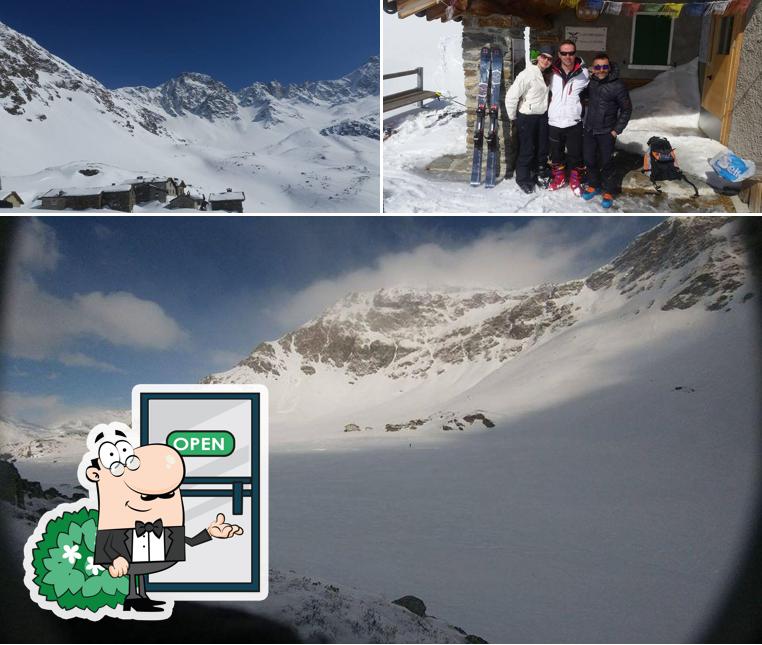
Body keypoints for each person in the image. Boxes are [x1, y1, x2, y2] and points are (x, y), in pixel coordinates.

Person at [87, 427, 243, 612]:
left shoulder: (166, 529)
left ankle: (140, 597)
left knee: (140, 572)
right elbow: (107, 546)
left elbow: (189, 542)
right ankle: (132, 597)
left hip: (149, 558)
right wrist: (115, 559)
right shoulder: (115, 528)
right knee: (135, 572)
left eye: (168, 495)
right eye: (147, 496)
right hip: (127, 562)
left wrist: (209, 533)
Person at [581, 52, 632, 209]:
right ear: (593, 68)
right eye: (598, 67)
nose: (601, 70)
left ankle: (609, 191)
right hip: (590, 128)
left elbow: (627, 109)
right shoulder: (592, 82)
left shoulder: (618, 85)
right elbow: (582, 95)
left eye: (604, 67)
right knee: (589, 159)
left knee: (607, 162)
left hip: (606, 131)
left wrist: (616, 130)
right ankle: (593, 184)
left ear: (609, 68)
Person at [504, 45, 553, 194]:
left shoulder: (546, 74)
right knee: (527, 149)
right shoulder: (528, 74)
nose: (546, 60)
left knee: (541, 148)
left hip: (542, 116)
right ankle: (523, 178)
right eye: (543, 57)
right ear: (538, 57)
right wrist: (513, 117)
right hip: (527, 117)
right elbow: (511, 96)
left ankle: (539, 173)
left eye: (549, 58)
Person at [547, 39, 590, 194]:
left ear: (575, 54)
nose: (567, 56)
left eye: (571, 53)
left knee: (576, 154)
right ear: (559, 54)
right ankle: (559, 179)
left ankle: (575, 180)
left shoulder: (584, 74)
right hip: (554, 121)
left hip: (574, 121)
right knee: (556, 154)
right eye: (564, 53)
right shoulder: (551, 72)